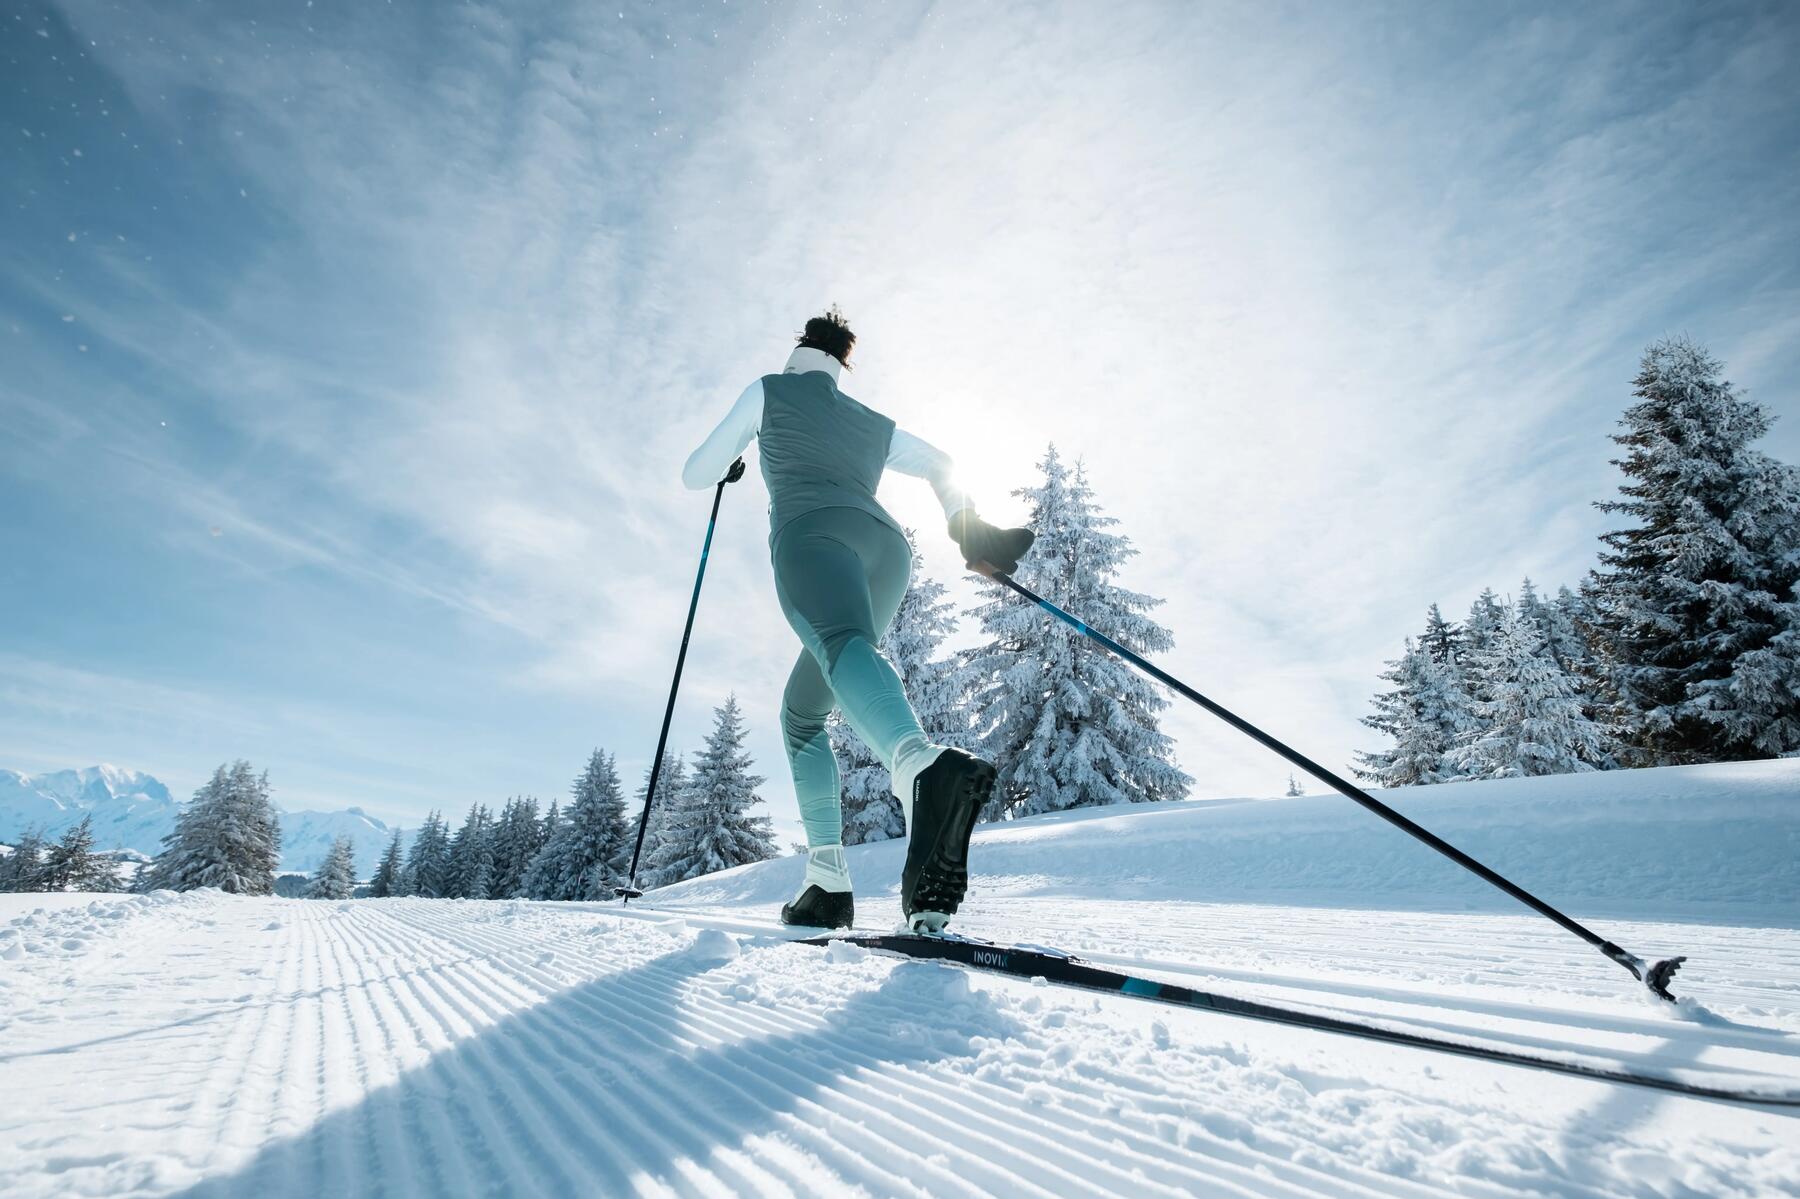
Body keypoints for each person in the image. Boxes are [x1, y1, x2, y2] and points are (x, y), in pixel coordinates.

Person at [682, 308, 1034, 931]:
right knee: (802, 714)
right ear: (840, 364)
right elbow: (940, 461)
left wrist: (729, 465)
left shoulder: (770, 391)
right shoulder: (870, 421)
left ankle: (917, 764)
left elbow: (695, 473)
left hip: (811, 536)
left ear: (798, 354)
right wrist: (965, 524)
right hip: (886, 552)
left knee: (839, 642)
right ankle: (826, 882)